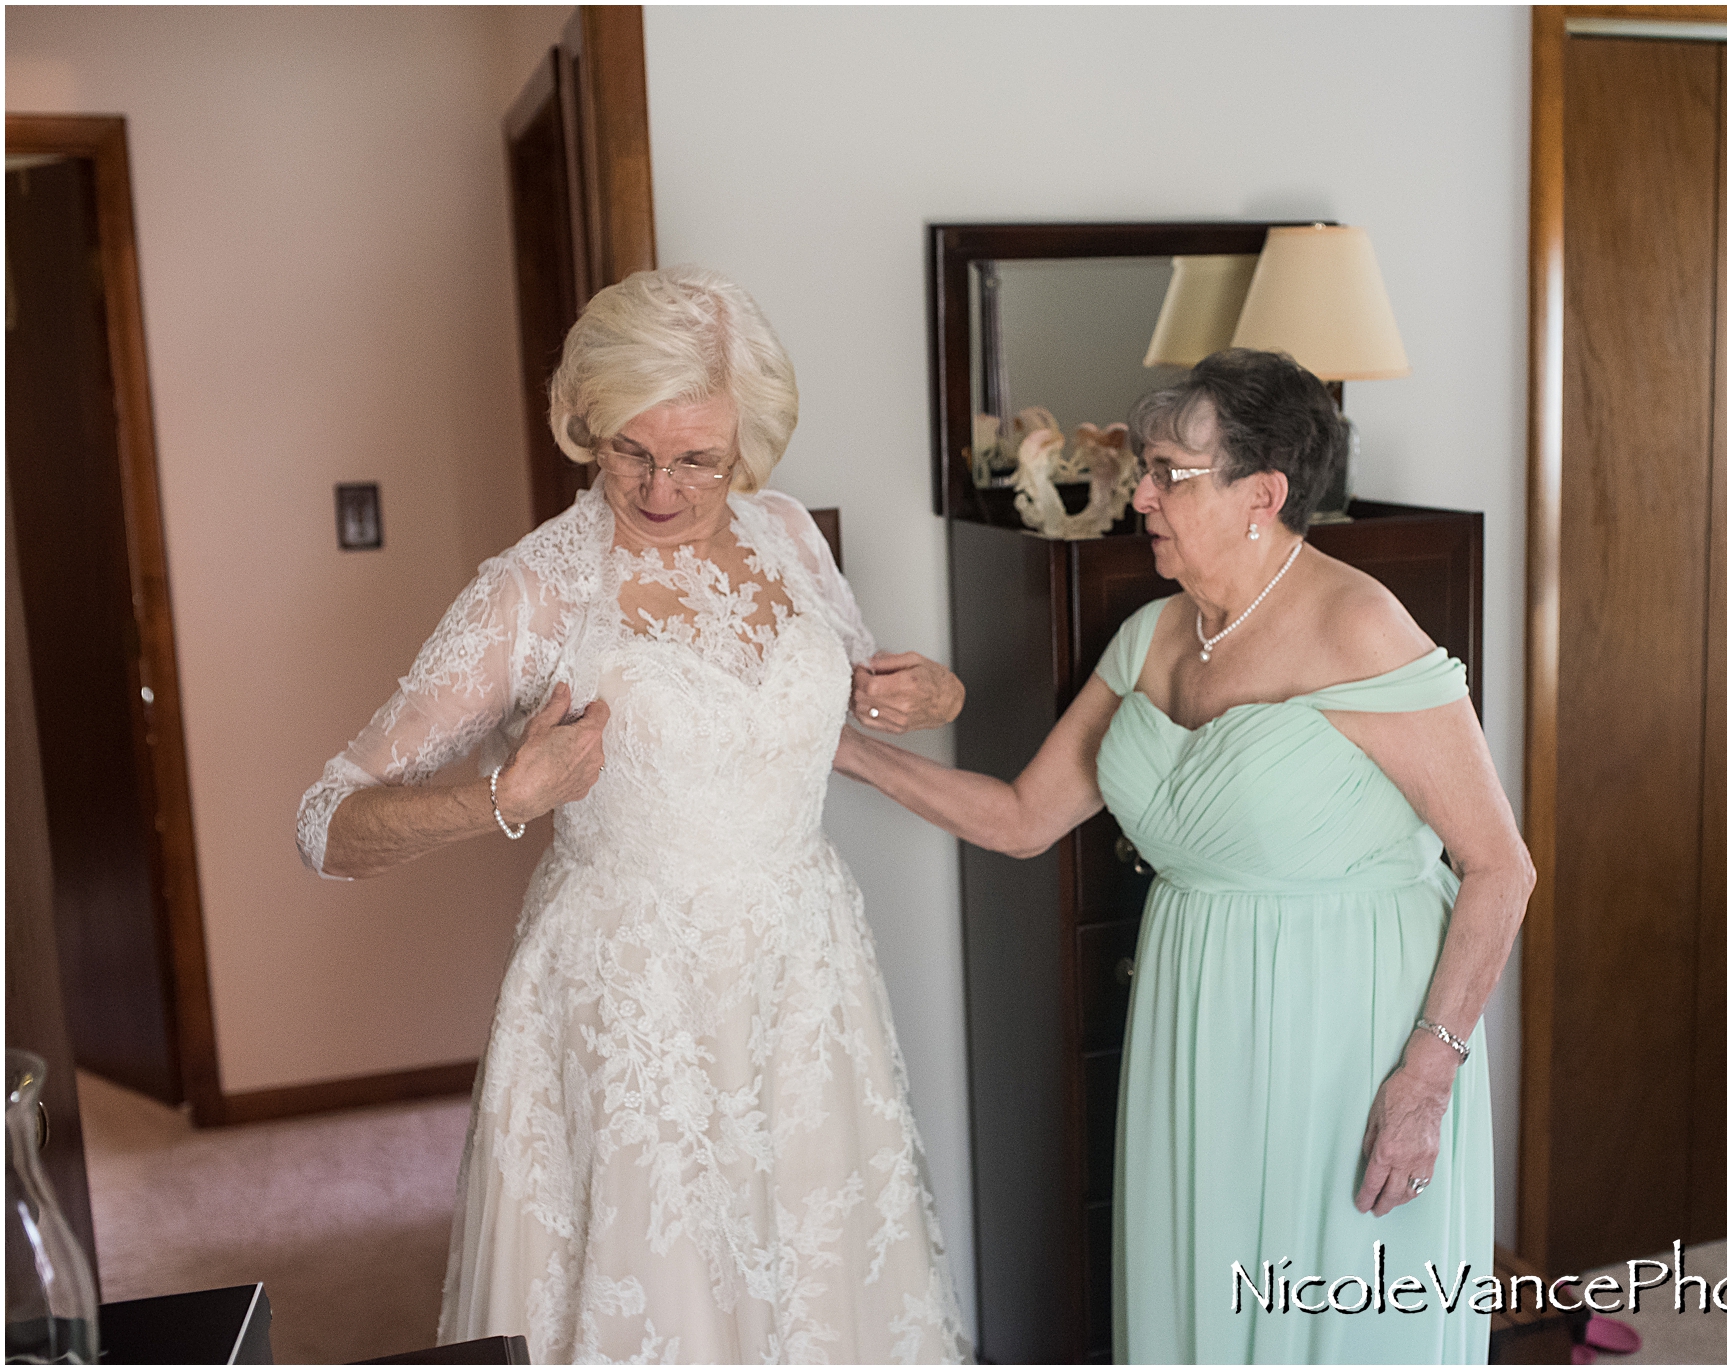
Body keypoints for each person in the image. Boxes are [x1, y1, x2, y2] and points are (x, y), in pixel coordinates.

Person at [295, 266, 971, 1364]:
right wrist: (503, 797)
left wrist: (931, 694)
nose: (660, 487)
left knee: (820, 1295)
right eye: (628, 449)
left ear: (747, 444)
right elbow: (325, 821)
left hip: (805, 981)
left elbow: (849, 688)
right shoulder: (534, 591)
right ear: (588, 428)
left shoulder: (790, 537)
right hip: (629, 1002)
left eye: (698, 457)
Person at [835, 349, 1532, 1364]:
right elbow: (1023, 816)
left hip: (1347, 1021)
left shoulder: (1359, 625)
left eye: (1168, 472)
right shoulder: (1153, 635)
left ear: (1263, 493)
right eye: (1145, 469)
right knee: (1200, 1287)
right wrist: (839, 748)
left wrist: (1424, 1078)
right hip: (1195, 1012)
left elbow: (1498, 865)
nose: (1142, 496)